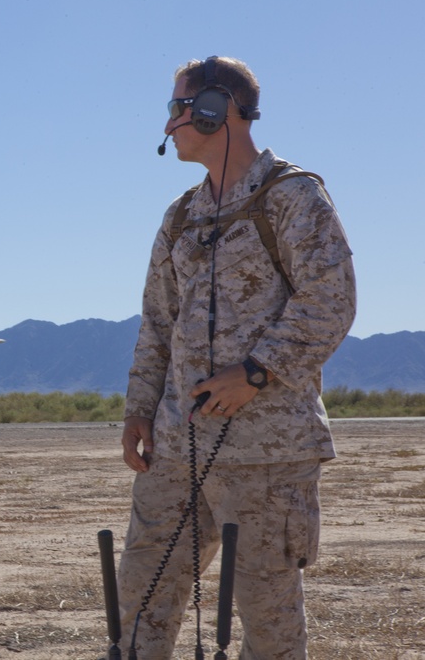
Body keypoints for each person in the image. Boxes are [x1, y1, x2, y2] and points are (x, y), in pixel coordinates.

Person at [117, 56, 356, 659]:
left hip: (268, 459)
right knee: (139, 605)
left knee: (268, 626)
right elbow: (158, 323)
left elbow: (331, 300)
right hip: (176, 449)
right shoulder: (180, 217)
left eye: (177, 109)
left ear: (214, 109)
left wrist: (256, 373)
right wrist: (140, 410)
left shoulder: (293, 198)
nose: (168, 124)